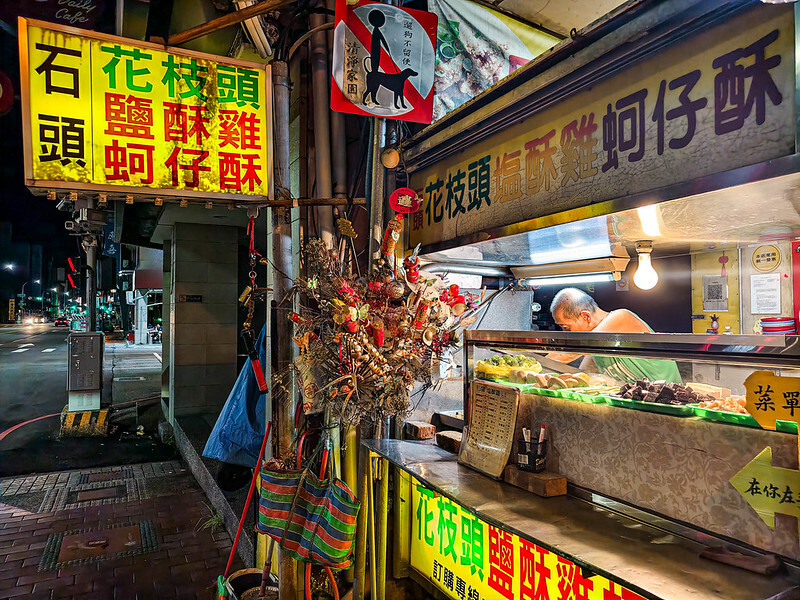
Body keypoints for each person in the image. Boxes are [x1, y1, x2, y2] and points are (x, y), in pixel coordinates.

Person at [549, 288, 682, 384]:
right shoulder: (593, 346)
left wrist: (532, 364)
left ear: (586, 316)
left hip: (670, 403)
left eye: (566, 327)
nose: (567, 333)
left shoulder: (621, 317)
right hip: (637, 408)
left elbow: (571, 352)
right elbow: (585, 377)